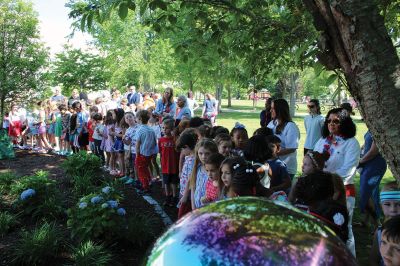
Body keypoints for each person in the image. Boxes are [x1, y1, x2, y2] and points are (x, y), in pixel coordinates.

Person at [313, 107, 360, 257]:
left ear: (344, 123)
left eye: (336, 121)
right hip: (321, 189)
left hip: (343, 191)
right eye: (329, 121)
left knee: (344, 226)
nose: (331, 124)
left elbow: (348, 170)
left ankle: (349, 258)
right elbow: (313, 159)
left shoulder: (351, 143)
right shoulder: (322, 141)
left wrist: (326, 180)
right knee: (322, 224)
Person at [358, 130, 387, 230]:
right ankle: (366, 222)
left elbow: (374, 151)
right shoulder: (372, 127)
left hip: (375, 165)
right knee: (367, 194)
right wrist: (361, 148)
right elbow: (367, 143)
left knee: (369, 194)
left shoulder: (379, 128)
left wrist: (360, 161)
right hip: (368, 164)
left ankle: (377, 225)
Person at [267, 98, 300, 180]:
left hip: (287, 168)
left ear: (280, 110)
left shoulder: (290, 126)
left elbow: (291, 148)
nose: (270, 110)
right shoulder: (272, 124)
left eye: (273, 108)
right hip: (273, 166)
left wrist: (272, 154)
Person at [370, 182, 400, 266]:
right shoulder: (379, 232)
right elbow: (373, 260)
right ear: (381, 205)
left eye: (399, 204)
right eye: (387, 204)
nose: (393, 209)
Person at [190, 138, 218, 210]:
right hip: (197, 208)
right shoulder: (197, 168)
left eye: (207, 153)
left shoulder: (215, 171)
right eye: (200, 153)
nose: (203, 157)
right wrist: (193, 207)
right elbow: (193, 188)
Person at [176, 128, 198, 218]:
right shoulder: (189, 157)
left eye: (182, 149)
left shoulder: (192, 161)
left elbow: (190, 179)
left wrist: (185, 195)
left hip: (187, 193)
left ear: (186, 146)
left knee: (183, 216)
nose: (182, 152)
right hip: (184, 190)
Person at [158, 118, 180, 207]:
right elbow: (160, 153)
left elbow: (178, 151)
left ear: (171, 129)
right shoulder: (161, 140)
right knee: (166, 182)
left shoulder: (175, 140)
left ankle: (175, 197)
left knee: (174, 183)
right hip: (165, 166)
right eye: (163, 128)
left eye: (166, 128)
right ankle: (168, 196)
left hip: (174, 166)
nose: (164, 130)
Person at [135, 110, 158, 193]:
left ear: (140, 119)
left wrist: (137, 154)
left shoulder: (140, 130)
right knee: (146, 168)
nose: (136, 119)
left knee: (141, 171)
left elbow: (137, 144)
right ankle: (149, 181)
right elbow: (155, 142)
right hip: (150, 153)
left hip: (142, 154)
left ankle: (145, 186)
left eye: (136, 118)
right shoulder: (151, 129)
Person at [110, 108, 125, 176]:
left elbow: (123, 135)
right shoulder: (116, 122)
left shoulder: (122, 123)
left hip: (121, 141)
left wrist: (114, 133)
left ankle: (123, 172)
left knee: (121, 158)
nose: (112, 115)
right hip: (117, 141)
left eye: (113, 114)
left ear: (117, 115)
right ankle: (121, 171)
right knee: (119, 157)